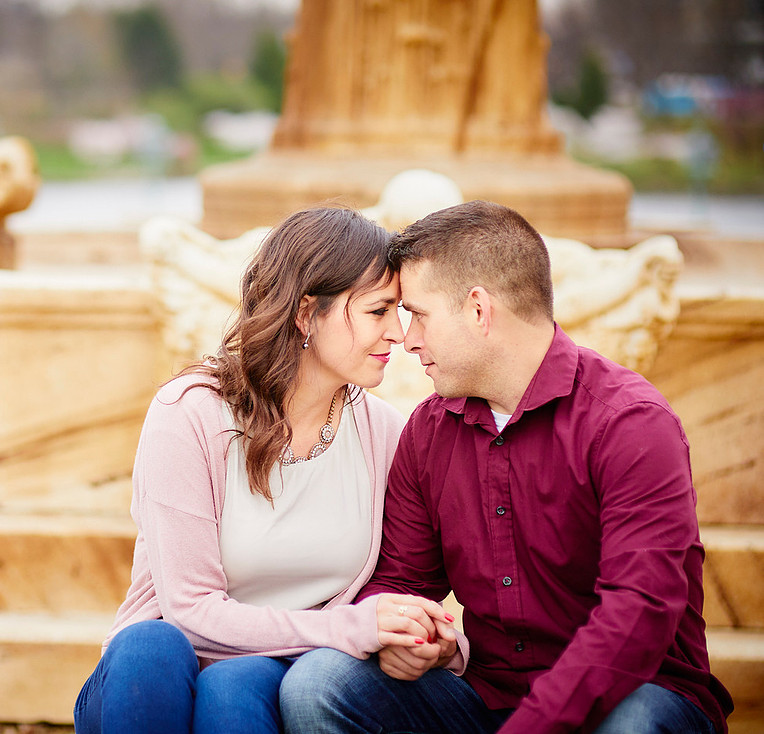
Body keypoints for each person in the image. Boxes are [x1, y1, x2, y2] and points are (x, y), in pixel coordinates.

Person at [280, 200, 734, 734]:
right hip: (486, 699)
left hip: (635, 695)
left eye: (419, 315)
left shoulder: (630, 423)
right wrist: (407, 635)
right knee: (319, 684)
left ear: (478, 310)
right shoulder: (428, 430)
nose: (408, 340)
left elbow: (637, 615)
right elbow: (401, 579)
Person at [73, 206, 466, 734]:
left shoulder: (385, 434)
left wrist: (439, 643)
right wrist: (346, 628)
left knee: (235, 687)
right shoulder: (189, 414)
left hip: (280, 676)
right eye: (379, 310)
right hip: (151, 682)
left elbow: (402, 586)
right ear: (306, 313)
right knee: (151, 644)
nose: (398, 333)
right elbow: (188, 610)